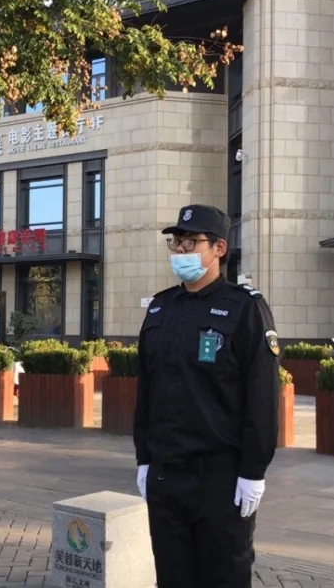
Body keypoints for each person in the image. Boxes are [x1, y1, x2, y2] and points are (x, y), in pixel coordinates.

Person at [133, 204, 281, 588]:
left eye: (190, 242)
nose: (180, 250)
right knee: (172, 577)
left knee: (223, 577)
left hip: (220, 480)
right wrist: (144, 458)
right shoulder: (161, 307)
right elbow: (147, 390)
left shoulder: (244, 309)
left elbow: (262, 397)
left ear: (219, 248)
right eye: (175, 242)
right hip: (166, 474)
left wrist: (253, 471)